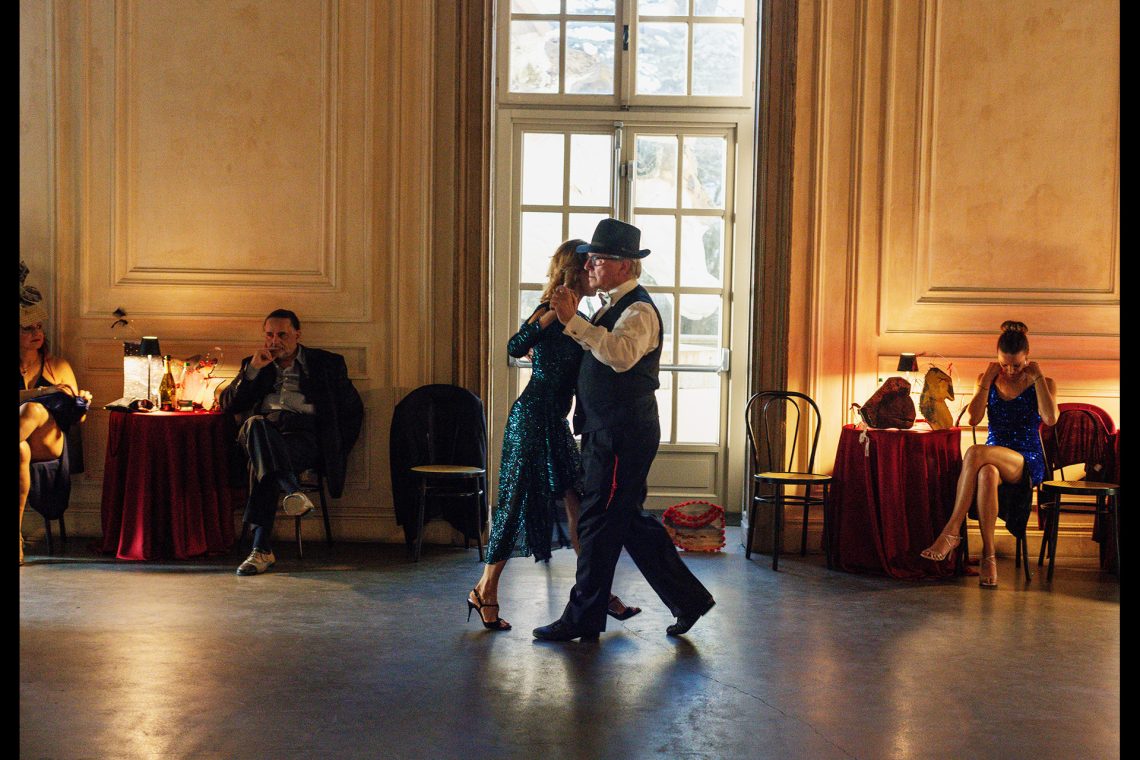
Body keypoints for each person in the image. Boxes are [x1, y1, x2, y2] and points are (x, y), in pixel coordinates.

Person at [533, 219, 715, 642]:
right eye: (592, 258)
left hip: (620, 433)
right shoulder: (611, 305)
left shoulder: (638, 310)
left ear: (623, 265)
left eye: (598, 258)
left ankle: (582, 617)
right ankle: (688, 599)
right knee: (627, 521)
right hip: (609, 430)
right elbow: (597, 351)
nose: (590, 264)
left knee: (596, 521)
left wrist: (571, 321)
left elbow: (619, 356)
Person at [467, 241, 640, 631]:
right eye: (590, 265)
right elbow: (514, 347)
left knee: (580, 505)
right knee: (513, 504)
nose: (596, 270)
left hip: (555, 423)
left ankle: (595, 592)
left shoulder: (588, 317)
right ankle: (485, 590)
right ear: (575, 270)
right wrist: (548, 321)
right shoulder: (549, 311)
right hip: (530, 419)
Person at [219, 309, 363, 576]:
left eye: (282, 334)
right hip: (263, 430)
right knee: (255, 425)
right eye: (270, 335)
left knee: (265, 466)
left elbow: (352, 410)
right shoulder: (254, 365)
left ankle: (262, 550)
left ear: (298, 334)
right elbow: (227, 405)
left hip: (302, 437)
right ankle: (291, 491)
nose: (275, 342)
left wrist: (336, 448)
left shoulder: (326, 364)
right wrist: (252, 370)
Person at [919, 320, 1059, 589]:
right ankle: (988, 556)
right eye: (1004, 364)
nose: (1010, 370)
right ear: (997, 359)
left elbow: (1051, 419)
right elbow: (972, 419)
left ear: (1027, 359)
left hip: (1026, 459)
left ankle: (952, 530)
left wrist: (1038, 376)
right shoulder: (987, 381)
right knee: (986, 474)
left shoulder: (1044, 382)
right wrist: (986, 380)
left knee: (973, 452)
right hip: (991, 458)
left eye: (1017, 365)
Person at [19, 261, 92, 565]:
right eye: (28, 328)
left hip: (51, 443)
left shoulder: (58, 365)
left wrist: (79, 400)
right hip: (25, 445)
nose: (37, 333)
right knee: (19, 449)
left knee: (32, 410)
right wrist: (41, 391)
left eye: (39, 327)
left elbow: (79, 419)